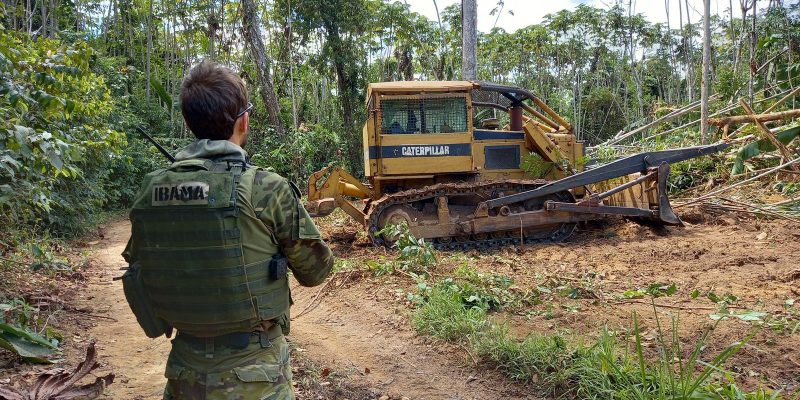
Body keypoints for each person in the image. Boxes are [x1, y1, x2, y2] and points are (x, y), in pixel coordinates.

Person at [122, 61, 333, 400]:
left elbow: (140, 271)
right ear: (243, 120)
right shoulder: (266, 188)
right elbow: (315, 271)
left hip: (184, 374)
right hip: (257, 377)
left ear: (189, 122)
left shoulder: (152, 192)